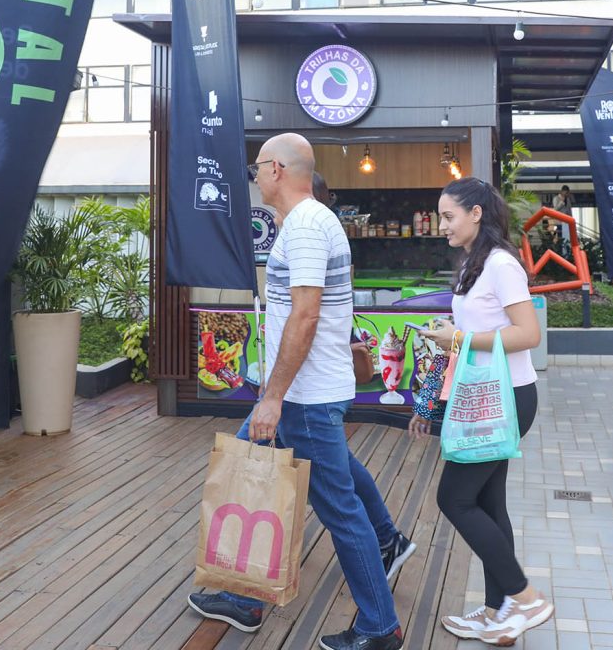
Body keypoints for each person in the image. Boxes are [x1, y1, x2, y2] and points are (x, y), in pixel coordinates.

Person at [189, 134, 409, 650]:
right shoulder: (309, 223)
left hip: (303, 399)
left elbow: (306, 316)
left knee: (338, 509)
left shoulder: (307, 226)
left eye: (256, 167)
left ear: (276, 169)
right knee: (260, 470)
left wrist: (272, 397)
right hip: (304, 394)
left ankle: (380, 626)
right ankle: (247, 597)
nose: (254, 176)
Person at [412, 177, 552, 645]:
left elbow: (528, 334)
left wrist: (460, 338)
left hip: (507, 397)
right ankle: (499, 615)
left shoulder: (499, 263)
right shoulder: (477, 262)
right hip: (488, 396)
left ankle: (524, 598)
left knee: (454, 499)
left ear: (476, 213)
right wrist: (454, 331)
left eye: (448, 215)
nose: (442, 225)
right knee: (490, 504)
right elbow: (485, 326)